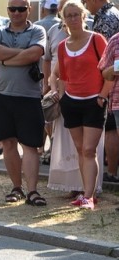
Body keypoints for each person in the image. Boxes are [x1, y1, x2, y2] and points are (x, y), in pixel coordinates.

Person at [49, 0, 110, 209]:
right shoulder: (62, 46)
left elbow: (110, 71)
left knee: (89, 150)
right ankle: (86, 193)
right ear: (64, 20)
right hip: (71, 103)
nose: (73, 18)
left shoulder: (96, 39)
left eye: (76, 14)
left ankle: (90, 196)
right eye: (69, 15)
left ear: (84, 16)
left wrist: (102, 96)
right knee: (80, 149)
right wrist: (61, 97)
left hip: (94, 101)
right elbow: (63, 77)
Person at [0, 0, 48, 206]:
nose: (16, 12)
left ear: (29, 10)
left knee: (30, 145)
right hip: (0, 94)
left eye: (21, 9)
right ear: (7, 10)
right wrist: (21, 54)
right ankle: (16, 188)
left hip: (28, 96)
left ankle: (32, 191)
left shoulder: (37, 30)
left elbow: (35, 54)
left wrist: (5, 58)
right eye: (12, 9)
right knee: (8, 143)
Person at [86, 0, 119, 182]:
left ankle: (112, 172)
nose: (85, 4)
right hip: (112, 90)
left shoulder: (107, 18)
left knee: (111, 130)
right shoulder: (111, 17)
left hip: (109, 89)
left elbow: (100, 59)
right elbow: (106, 67)